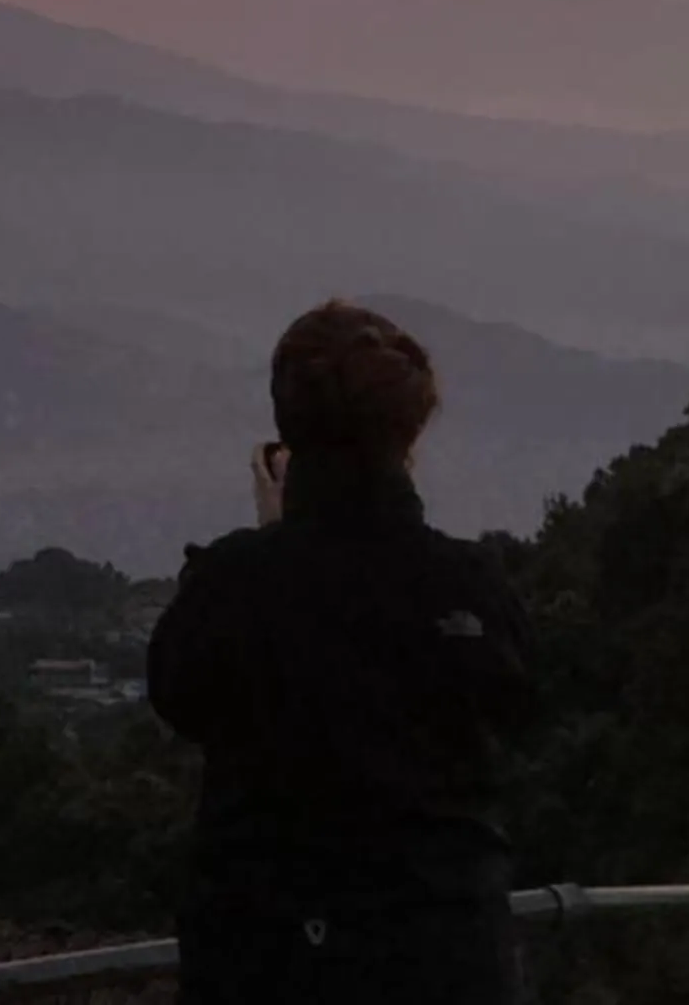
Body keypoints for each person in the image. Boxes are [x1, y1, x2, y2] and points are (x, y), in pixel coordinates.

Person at [146, 299, 535, 1003]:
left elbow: (181, 696)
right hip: (451, 955)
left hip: (272, 961)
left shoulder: (233, 586)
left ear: (287, 430)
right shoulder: (471, 586)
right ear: (409, 435)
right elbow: (513, 706)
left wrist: (276, 538)